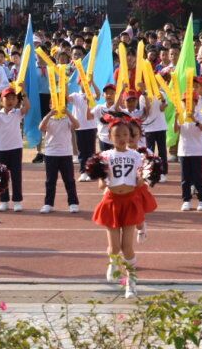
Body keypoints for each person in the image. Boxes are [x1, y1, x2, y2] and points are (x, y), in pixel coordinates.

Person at [91, 116, 147, 298]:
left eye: (125, 134)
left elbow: (141, 177)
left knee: (127, 247)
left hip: (129, 201)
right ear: (110, 137)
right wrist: (102, 181)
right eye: (118, 135)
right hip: (112, 201)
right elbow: (100, 183)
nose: (122, 138)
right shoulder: (104, 156)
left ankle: (131, 283)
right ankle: (112, 262)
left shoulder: (136, 155)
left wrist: (141, 181)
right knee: (114, 248)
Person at [0, 88, 30, 212]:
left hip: (16, 148)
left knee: (16, 175)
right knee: (1, 176)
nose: (10, 101)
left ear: (16, 100)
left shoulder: (17, 113)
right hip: (1, 149)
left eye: (13, 98)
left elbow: (27, 107)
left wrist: (24, 94)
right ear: (1, 101)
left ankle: (17, 201)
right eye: (7, 98)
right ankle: (4, 201)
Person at [38, 108, 81, 214]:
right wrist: (49, 114)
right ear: (50, 105)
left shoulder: (67, 118)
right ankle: (48, 204)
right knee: (50, 181)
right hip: (51, 154)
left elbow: (77, 125)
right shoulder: (48, 118)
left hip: (65, 153)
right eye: (52, 103)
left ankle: (73, 203)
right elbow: (41, 128)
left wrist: (68, 113)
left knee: (69, 180)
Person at [176, 101, 202, 211]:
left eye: (191, 102)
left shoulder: (201, 116)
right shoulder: (181, 115)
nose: (188, 104)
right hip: (184, 151)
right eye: (185, 102)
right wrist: (176, 118)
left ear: (195, 103)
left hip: (197, 151)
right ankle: (186, 200)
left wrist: (195, 120)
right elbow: (176, 130)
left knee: (198, 177)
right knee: (185, 178)